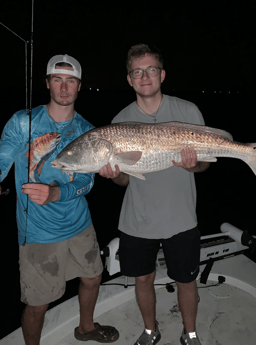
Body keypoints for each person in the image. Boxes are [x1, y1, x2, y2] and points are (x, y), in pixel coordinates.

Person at [0, 54, 119, 345]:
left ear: (79, 87)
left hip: (79, 223)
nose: (64, 88)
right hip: (38, 232)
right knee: (38, 304)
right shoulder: (22, 123)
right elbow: (1, 163)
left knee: (93, 277)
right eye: (57, 80)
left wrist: (56, 193)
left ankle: (86, 328)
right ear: (48, 84)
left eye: (71, 81)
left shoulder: (88, 131)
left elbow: (86, 181)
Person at [99, 44, 210, 345]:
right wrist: (113, 174)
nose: (144, 76)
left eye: (150, 70)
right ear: (129, 79)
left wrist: (193, 164)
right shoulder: (118, 123)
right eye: (137, 72)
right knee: (142, 279)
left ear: (161, 75)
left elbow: (203, 165)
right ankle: (151, 331)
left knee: (186, 280)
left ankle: (190, 334)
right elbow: (124, 180)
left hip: (181, 217)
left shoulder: (187, 111)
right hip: (138, 219)